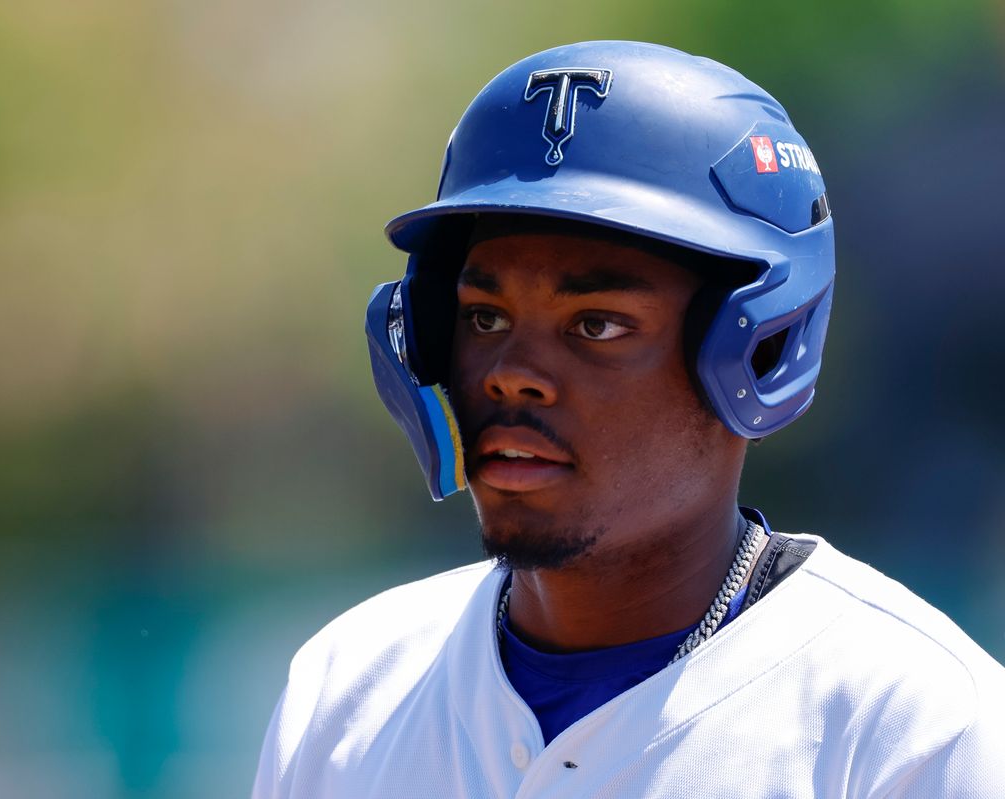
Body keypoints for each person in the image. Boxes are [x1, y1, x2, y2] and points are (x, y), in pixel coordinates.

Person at [252, 41, 1005, 797]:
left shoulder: (916, 730)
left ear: (759, 347)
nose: (512, 372)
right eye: (484, 316)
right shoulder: (344, 692)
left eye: (597, 325)